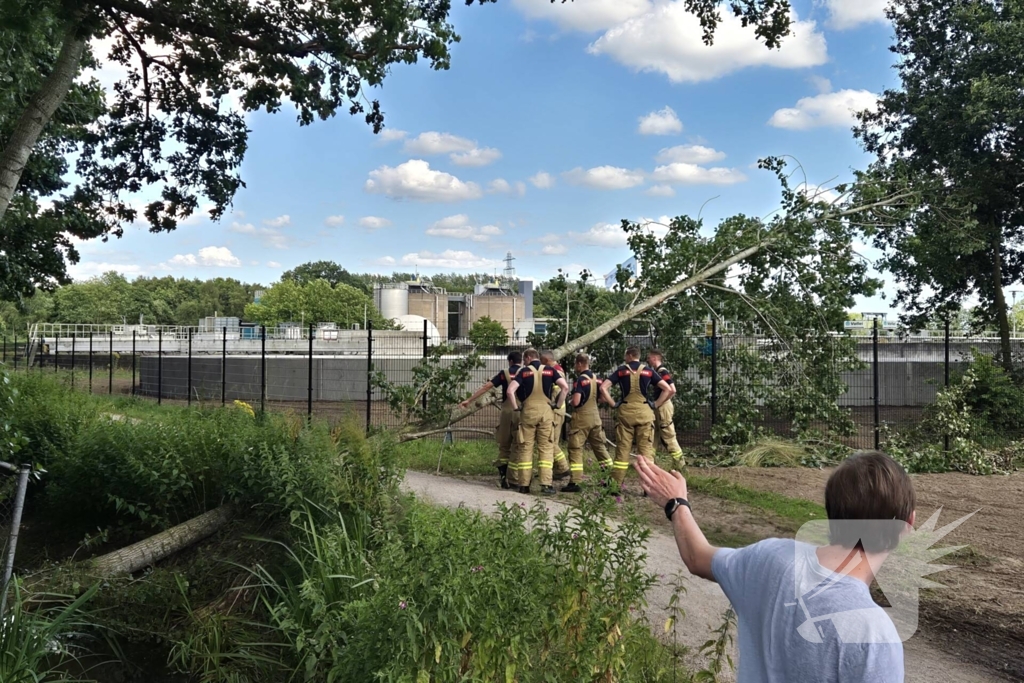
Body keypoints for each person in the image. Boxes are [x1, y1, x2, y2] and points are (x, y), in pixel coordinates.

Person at [634, 451, 910, 683]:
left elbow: (697, 557)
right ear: (907, 524)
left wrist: (676, 503)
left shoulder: (771, 557)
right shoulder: (875, 636)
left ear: (832, 512)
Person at [599, 347, 671, 486]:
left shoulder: (621, 370)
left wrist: (613, 403)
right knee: (646, 453)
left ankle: (615, 485)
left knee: (622, 452)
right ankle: (648, 486)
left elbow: (603, 387)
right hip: (645, 414)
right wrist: (655, 404)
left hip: (625, 414)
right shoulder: (649, 371)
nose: (625, 358)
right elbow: (667, 389)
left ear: (630, 355)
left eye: (626, 356)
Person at [506, 348, 570, 495]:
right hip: (546, 414)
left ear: (528, 358)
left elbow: (510, 391)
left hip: (528, 413)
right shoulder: (550, 370)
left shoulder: (523, 372)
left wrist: (517, 408)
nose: (524, 362)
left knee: (525, 448)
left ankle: (524, 485)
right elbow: (565, 388)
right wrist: (558, 405)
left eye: (524, 359)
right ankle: (546, 485)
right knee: (546, 449)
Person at [460, 350, 523, 490]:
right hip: (522, 412)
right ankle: (515, 478)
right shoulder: (527, 372)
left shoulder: (505, 373)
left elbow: (487, 387)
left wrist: (469, 400)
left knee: (504, 445)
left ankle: (503, 478)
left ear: (510, 361)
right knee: (519, 445)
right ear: (521, 361)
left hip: (507, 412)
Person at [563, 353, 611, 492]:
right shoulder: (597, 379)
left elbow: (577, 401)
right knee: (600, 448)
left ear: (579, 364)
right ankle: (609, 478)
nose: (574, 367)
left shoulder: (580, 380)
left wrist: (571, 401)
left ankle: (576, 482)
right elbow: (602, 398)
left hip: (582, 419)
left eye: (575, 364)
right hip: (596, 418)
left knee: (576, 448)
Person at [646, 349, 684, 467]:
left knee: (668, 435)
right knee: (653, 435)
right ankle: (649, 462)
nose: (647, 360)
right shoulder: (657, 371)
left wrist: (657, 403)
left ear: (655, 358)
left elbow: (672, 389)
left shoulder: (662, 372)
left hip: (663, 408)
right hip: (660, 407)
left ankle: (680, 465)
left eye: (649, 357)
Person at [540, 350, 572, 482]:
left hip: (555, 412)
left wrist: (552, 405)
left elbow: (558, 392)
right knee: (551, 441)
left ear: (547, 360)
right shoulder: (556, 369)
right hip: (556, 411)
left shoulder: (556, 371)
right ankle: (553, 470)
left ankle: (563, 468)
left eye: (541, 361)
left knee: (551, 441)